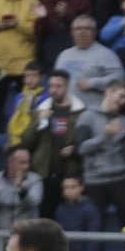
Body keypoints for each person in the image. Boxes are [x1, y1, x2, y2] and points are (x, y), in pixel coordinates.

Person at [73, 79, 125, 251]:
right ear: (109, 91)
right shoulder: (87, 117)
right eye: (121, 96)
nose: (123, 101)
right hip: (95, 180)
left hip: (121, 179)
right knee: (95, 226)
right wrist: (106, 134)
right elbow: (81, 149)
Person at [18, 69, 85, 220]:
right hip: (44, 175)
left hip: (69, 175)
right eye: (51, 86)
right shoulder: (40, 110)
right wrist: (38, 122)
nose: (53, 90)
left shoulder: (80, 113)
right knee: (44, 220)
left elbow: (87, 143)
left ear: (67, 86)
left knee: (68, 221)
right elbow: (25, 142)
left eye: (58, 86)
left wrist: (75, 150)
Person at [54, 15, 125, 111]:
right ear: (71, 33)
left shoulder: (106, 54)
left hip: (93, 112)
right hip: (66, 112)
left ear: (95, 32)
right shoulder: (63, 55)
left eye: (87, 28)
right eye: (78, 28)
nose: (82, 32)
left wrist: (93, 83)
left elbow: (120, 78)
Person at [37, 0, 92, 69]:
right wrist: (42, 18)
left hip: (76, 51)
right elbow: (40, 33)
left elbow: (86, 24)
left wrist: (66, 15)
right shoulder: (45, 2)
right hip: (52, 54)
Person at [54, 175, 102, 251]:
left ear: (81, 187)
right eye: (66, 188)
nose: (69, 191)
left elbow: (93, 241)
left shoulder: (90, 209)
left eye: (73, 187)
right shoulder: (60, 209)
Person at [6, 61, 49, 148]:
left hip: (37, 138)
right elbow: (11, 118)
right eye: (27, 76)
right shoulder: (19, 97)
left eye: (34, 75)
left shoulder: (47, 97)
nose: (30, 79)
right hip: (18, 137)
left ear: (42, 77)